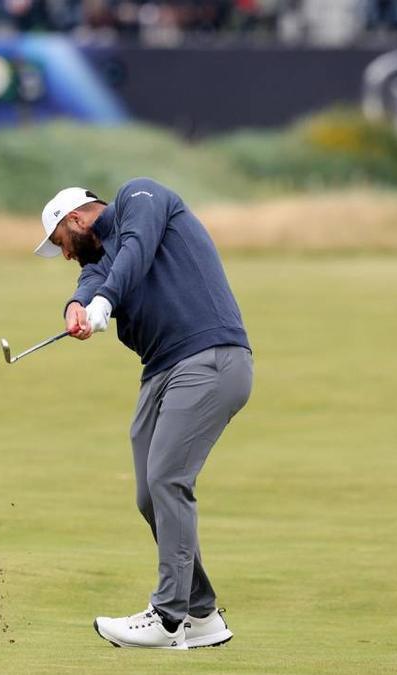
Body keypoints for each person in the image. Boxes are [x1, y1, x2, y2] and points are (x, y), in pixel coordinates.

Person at [33, 179, 253, 650]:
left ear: (76, 219)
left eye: (62, 245)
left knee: (168, 479)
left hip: (209, 356)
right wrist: (76, 305)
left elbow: (136, 248)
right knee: (148, 493)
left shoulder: (141, 200)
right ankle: (202, 613)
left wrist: (105, 301)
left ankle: (168, 617)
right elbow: (92, 280)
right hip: (161, 371)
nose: (67, 256)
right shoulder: (101, 261)